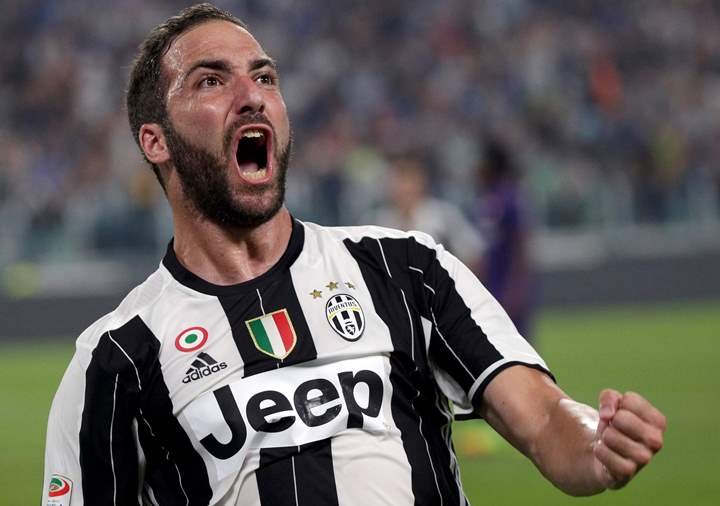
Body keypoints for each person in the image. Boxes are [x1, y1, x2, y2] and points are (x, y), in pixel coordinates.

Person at [42, 4, 666, 505]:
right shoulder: (115, 360)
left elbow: (544, 417)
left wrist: (593, 445)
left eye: (264, 77)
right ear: (156, 140)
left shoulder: (407, 269)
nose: (252, 95)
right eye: (212, 80)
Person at [368, 153, 484, 268]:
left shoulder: (443, 216)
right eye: (399, 179)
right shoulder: (378, 221)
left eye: (410, 179)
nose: (404, 187)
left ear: (422, 181)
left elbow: (472, 255)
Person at [473, 139, 536, 340]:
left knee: (518, 344)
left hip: (507, 284)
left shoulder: (510, 197)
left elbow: (521, 243)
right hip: (490, 284)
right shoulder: (485, 198)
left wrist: (517, 285)